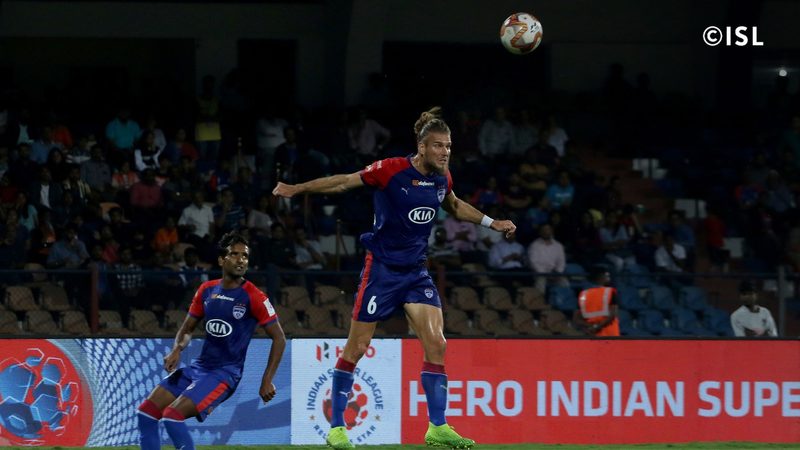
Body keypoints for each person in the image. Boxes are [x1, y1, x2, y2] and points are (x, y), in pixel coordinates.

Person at [273, 107, 515, 449]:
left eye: (448, 146)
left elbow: (455, 205)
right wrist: (298, 188)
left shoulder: (442, 178)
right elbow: (343, 182)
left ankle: (437, 427)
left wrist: (493, 223)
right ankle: (337, 428)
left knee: (437, 343)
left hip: (416, 273)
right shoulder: (390, 170)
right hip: (382, 271)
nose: (445, 152)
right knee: (357, 347)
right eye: (438, 146)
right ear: (422, 146)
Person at [136, 231, 286, 450]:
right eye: (234, 254)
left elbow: (279, 338)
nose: (241, 260)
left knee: (172, 416)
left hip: (224, 374)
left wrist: (267, 380)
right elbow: (188, 328)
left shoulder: (255, 296)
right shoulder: (206, 290)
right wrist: (177, 349)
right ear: (221, 260)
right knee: (146, 413)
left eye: (245, 256)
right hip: (198, 368)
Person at [573, 266, 620, 336]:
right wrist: (597, 327)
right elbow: (612, 315)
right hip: (610, 334)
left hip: (592, 334)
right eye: (607, 275)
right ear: (601, 276)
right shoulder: (610, 292)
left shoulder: (583, 294)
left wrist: (590, 327)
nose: (609, 277)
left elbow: (576, 319)